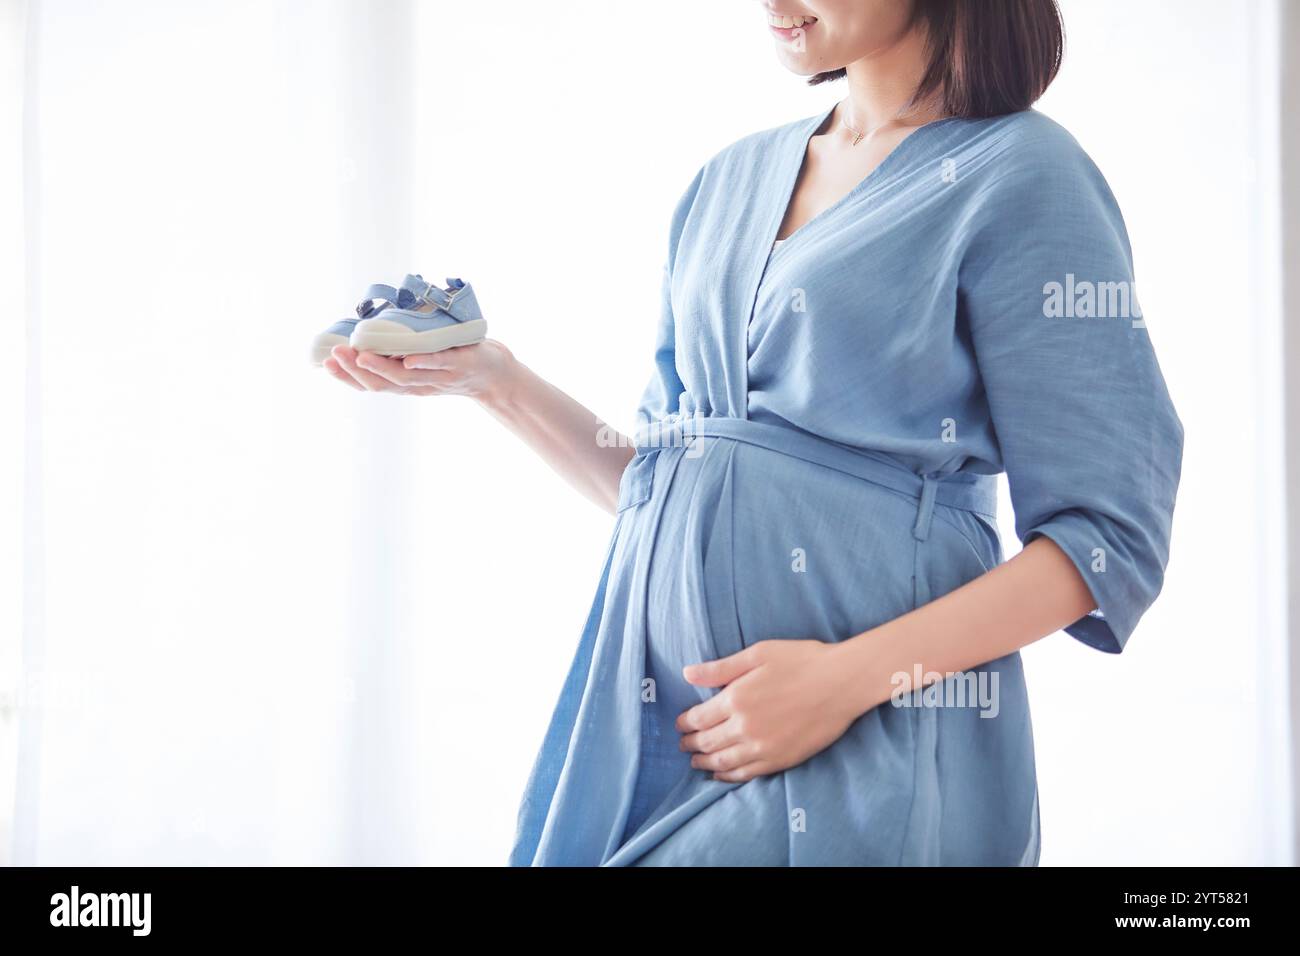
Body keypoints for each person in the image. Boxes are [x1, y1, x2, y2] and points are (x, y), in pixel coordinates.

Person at [323, 0, 1183, 866]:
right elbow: (664, 483)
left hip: (863, 743)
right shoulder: (727, 181)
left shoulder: (1023, 173)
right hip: (656, 734)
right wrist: (494, 382)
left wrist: (841, 684)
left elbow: (1105, 541)